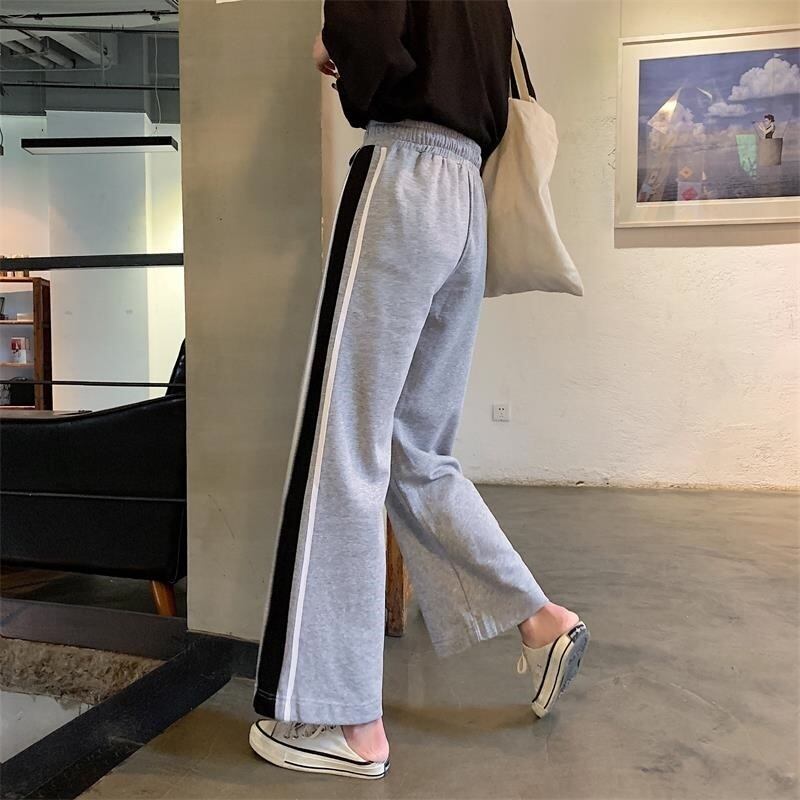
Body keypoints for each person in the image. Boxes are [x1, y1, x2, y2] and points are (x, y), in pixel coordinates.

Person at [248, 0, 589, 780]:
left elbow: (368, 44)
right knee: (416, 451)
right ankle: (540, 619)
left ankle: (344, 719)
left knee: (343, 448)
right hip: (465, 197)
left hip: (402, 175)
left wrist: (333, 47)